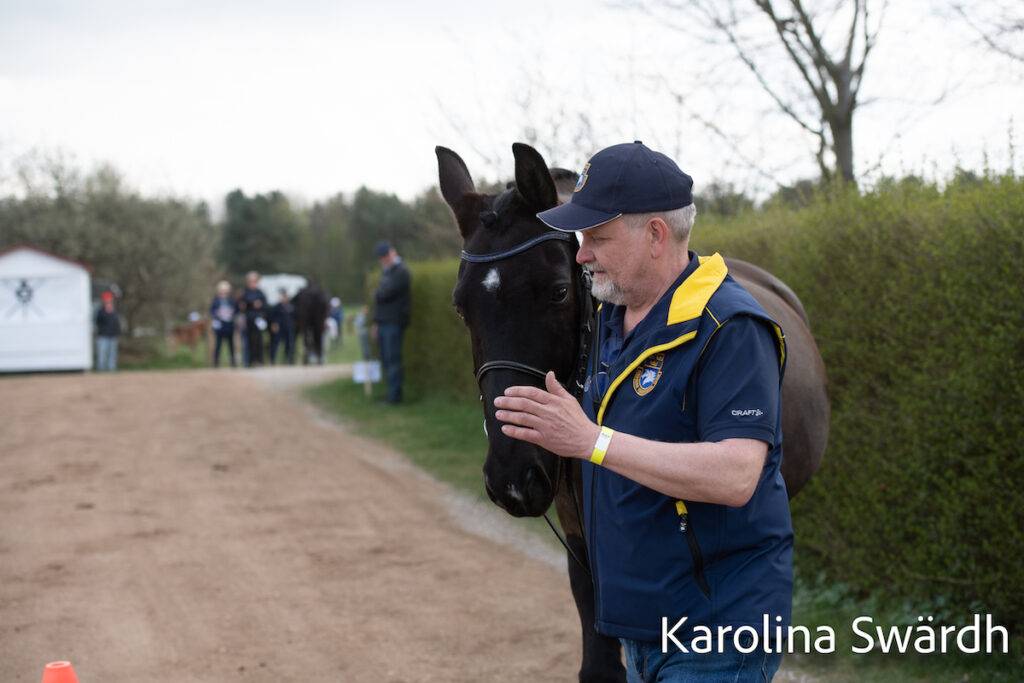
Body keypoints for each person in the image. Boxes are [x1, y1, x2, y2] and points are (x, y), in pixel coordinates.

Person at [492, 142, 792, 682]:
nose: (581, 255)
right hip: (643, 629)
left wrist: (592, 441)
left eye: (597, 238)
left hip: (715, 633)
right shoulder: (612, 319)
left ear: (655, 235)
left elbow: (736, 475)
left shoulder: (730, 328)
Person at [371, 241, 411, 404]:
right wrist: (376, 323)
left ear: (392, 253)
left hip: (394, 322)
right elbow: (380, 299)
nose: (384, 260)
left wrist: (377, 293)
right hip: (384, 322)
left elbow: (384, 294)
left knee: (393, 360)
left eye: (386, 256)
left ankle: (395, 397)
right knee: (387, 360)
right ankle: (390, 393)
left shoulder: (401, 271)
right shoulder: (388, 272)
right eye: (382, 257)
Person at [240, 271, 268, 367]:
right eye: (251, 281)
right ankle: (248, 361)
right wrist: (252, 304)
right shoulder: (244, 292)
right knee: (248, 342)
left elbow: (265, 306)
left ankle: (259, 360)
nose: (253, 283)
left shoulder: (260, 293)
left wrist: (259, 306)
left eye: (254, 281)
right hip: (248, 321)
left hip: (258, 321)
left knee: (258, 341)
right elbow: (242, 305)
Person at [209, 280, 237, 367]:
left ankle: (233, 362)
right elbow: (211, 311)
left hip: (229, 325)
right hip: (220, 326)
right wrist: (216, 314)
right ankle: (216, 362)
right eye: (222, 290)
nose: (223, 291)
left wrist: (232, 312)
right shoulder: (216, 300)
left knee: (231, 345)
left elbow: (236, 310)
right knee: (218, 345)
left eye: (225, 290)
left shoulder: (231, 300)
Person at [94, 290, 121, 371]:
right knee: (102, 354)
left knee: (112, 354)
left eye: (109, 300)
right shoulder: (100, 311)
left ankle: (111, 368)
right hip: (103, 335)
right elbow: (98, 321)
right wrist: (106, 311)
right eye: (106, 300)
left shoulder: (114, 311)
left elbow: (117, 323)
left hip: (113, 335)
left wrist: (118, 332)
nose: (108, 301)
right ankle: (101, 369)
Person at [269, 288, 296, 365]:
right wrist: (274, 324)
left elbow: (294, 317)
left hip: (288, 328)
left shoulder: (291, 307)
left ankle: (289, 359)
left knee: (289, 344)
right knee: (275, 344)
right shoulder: (276, 307)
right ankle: (272, 360)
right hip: (279, 328)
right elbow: (272, 317)